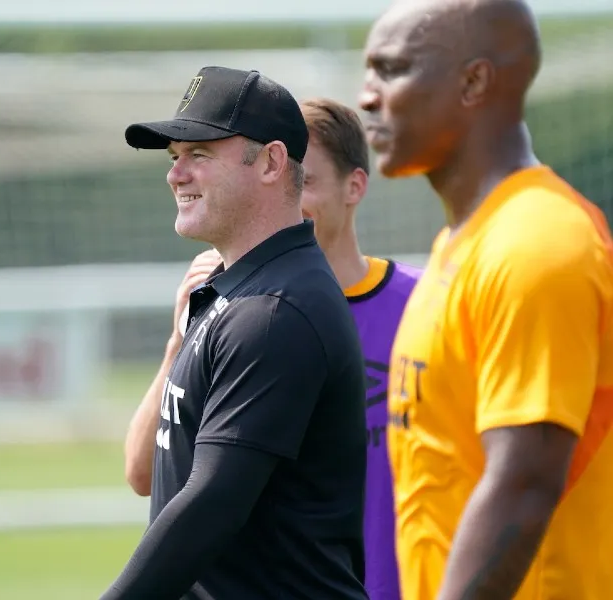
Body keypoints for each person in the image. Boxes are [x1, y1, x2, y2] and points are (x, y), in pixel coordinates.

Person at [359, 0, 613, 598]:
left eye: (392, 70)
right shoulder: (461, 243)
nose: (367, 97)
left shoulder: (537, 243)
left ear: (474, 82)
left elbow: (523, 483)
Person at [124, 96, 421, 600]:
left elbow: (211, 503)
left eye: (199, 153)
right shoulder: (225, 298)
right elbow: (147, 474)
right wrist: (180, 338)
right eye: (176, 157)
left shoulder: (282, 310)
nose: (177, 175)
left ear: (273, 164)